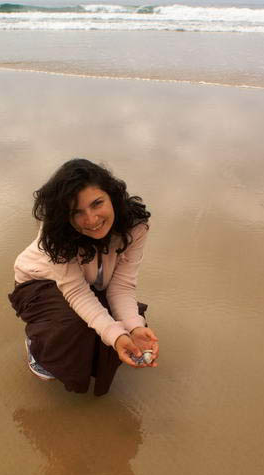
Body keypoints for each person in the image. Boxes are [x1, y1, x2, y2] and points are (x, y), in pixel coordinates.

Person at [8, 158, 159, 396]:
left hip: (90, 280)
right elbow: (77, 293)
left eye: (97, 203)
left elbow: (121, 287)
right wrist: (115, 336)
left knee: (123, 321)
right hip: (37, 283)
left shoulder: (135, 226)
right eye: (76, 212)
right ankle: (40, 346)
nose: (91, 220)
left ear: (112, 196)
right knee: (77, 324)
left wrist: (132, 329)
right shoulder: (57, 234)